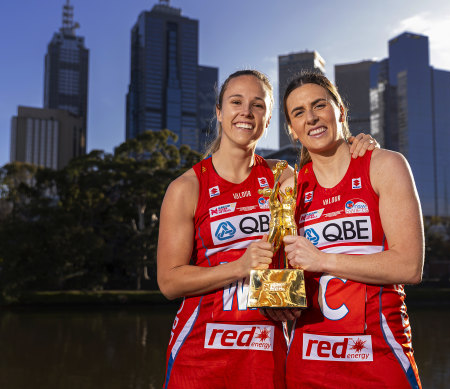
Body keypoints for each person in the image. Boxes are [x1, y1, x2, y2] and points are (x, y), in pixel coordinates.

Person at [156, 69, 378, 388]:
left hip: (265, 350)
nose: (246, 111)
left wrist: (360, 144)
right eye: (236, 102)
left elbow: (329, 179)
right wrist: (239, 267)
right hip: (200, 353)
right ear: (219, 112)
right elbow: (169, 281)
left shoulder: (283, 176)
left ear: (269, 119)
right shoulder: (187, 187)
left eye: (258, 105)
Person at [279, 72, 424, 388]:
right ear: (291, 129)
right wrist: (276, 299)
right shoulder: (289, 189)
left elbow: (409, 266)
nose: (312, 117)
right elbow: (282, 280)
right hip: (307, 364)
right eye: (299, 112)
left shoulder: (384, 165)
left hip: (379, 357)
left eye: (320, 105)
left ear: (340, 111)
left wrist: (323, 260)